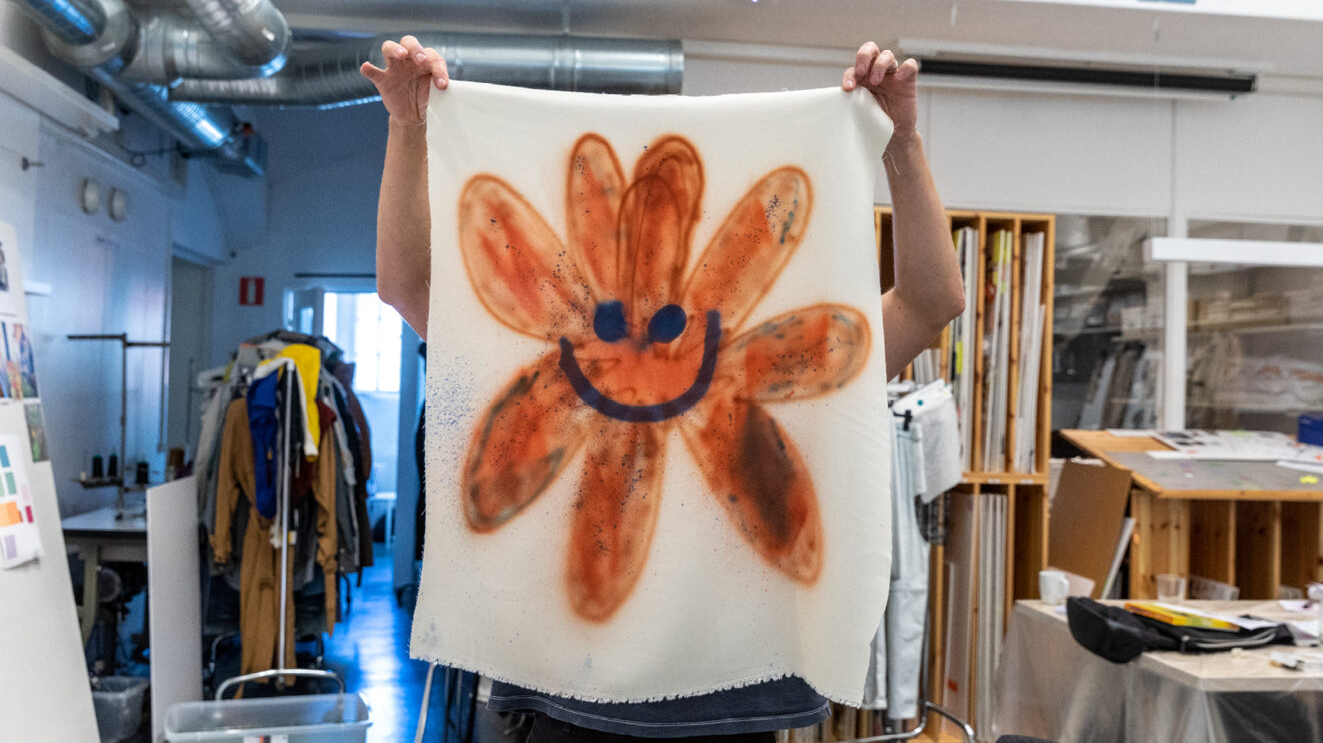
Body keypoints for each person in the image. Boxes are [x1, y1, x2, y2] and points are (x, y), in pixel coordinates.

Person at [362, 37, 966, 742]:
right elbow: (406, 284)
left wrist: (901, 144)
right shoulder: (534, 347)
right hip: (567, 702)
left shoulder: (778, 362)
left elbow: (931, 302)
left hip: (732, 705)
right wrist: (408, 129)